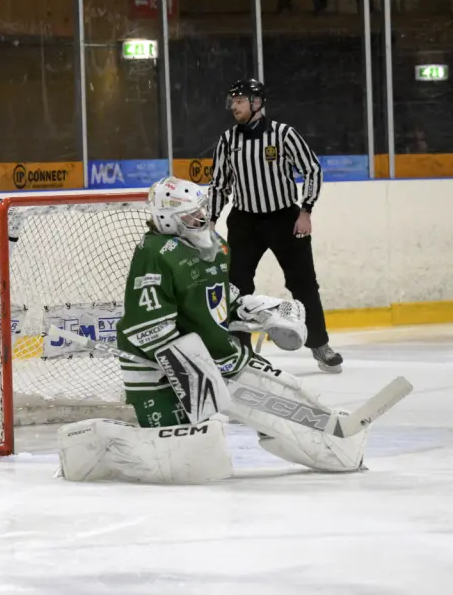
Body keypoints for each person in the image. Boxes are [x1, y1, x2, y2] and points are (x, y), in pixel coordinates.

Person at [55, 176, 369, 485]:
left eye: (201, 208)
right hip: (156, 371)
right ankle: (97, 444)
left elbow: (216, 298)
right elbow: (147, 325)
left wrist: (250, 308)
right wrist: (191, 369)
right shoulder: (155, 253)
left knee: (284, 392)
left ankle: (336, 446)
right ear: (167, 220)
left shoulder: (215, 244)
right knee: (194, 458)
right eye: (191, 214)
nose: (202, 216)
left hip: (218, 356)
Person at [209, 78, 343, 373]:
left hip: (284, 218)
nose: (234, 106)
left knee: (303, 283)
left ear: (257, 103)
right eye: (233, 101)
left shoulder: (284, 135)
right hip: (244, 221)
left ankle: (320, 346)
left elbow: (311, 169)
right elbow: (219, 185)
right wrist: (211, 221)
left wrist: (306, 210)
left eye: (240, 100)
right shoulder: (227, 140)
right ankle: (238, 350)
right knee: (236, 287)